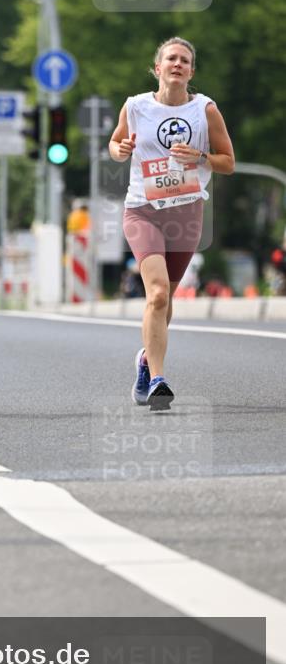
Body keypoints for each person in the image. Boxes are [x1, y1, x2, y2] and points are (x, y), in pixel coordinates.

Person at [109, 37, 234, 409]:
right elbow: (115, 145)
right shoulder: (135, 106)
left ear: (191, 72)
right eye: (171, 59)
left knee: (167, 300)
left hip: (186, 213)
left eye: (185, 61)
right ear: (158, 67)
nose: (177, 64)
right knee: (158, 293)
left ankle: (146, 361)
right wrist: (121, 150)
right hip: (143, 210)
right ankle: (158, 380)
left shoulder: (205, 110)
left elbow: (228, 162)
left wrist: (201, 157)